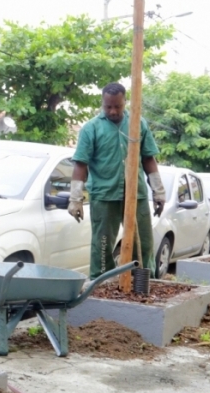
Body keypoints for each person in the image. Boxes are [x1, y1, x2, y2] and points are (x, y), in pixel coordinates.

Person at [70, 82, 166, 278]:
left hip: (136, 194)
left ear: (125, 102)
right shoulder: (91, 128)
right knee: (102, 245)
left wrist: (158, 191)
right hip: (104, 196)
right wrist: (75, 198)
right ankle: (100, 284)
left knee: (143, 244)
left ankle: (143, 282)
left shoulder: (138, 124)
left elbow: (148, 158)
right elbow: (81, 164)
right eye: (108, 107)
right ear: (102, 103)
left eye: (118, 106)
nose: (113, 111)